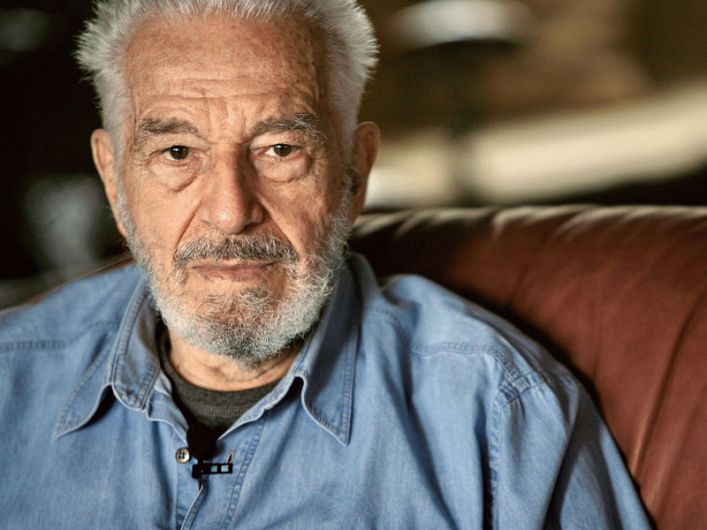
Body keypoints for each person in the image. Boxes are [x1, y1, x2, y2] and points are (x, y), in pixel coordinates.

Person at [0, 1, 650, 528]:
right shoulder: (9, 380)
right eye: (177, 153)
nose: (230, 212)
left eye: (280, 149)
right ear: (114, 180)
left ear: (355, 174)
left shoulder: (496, 410)